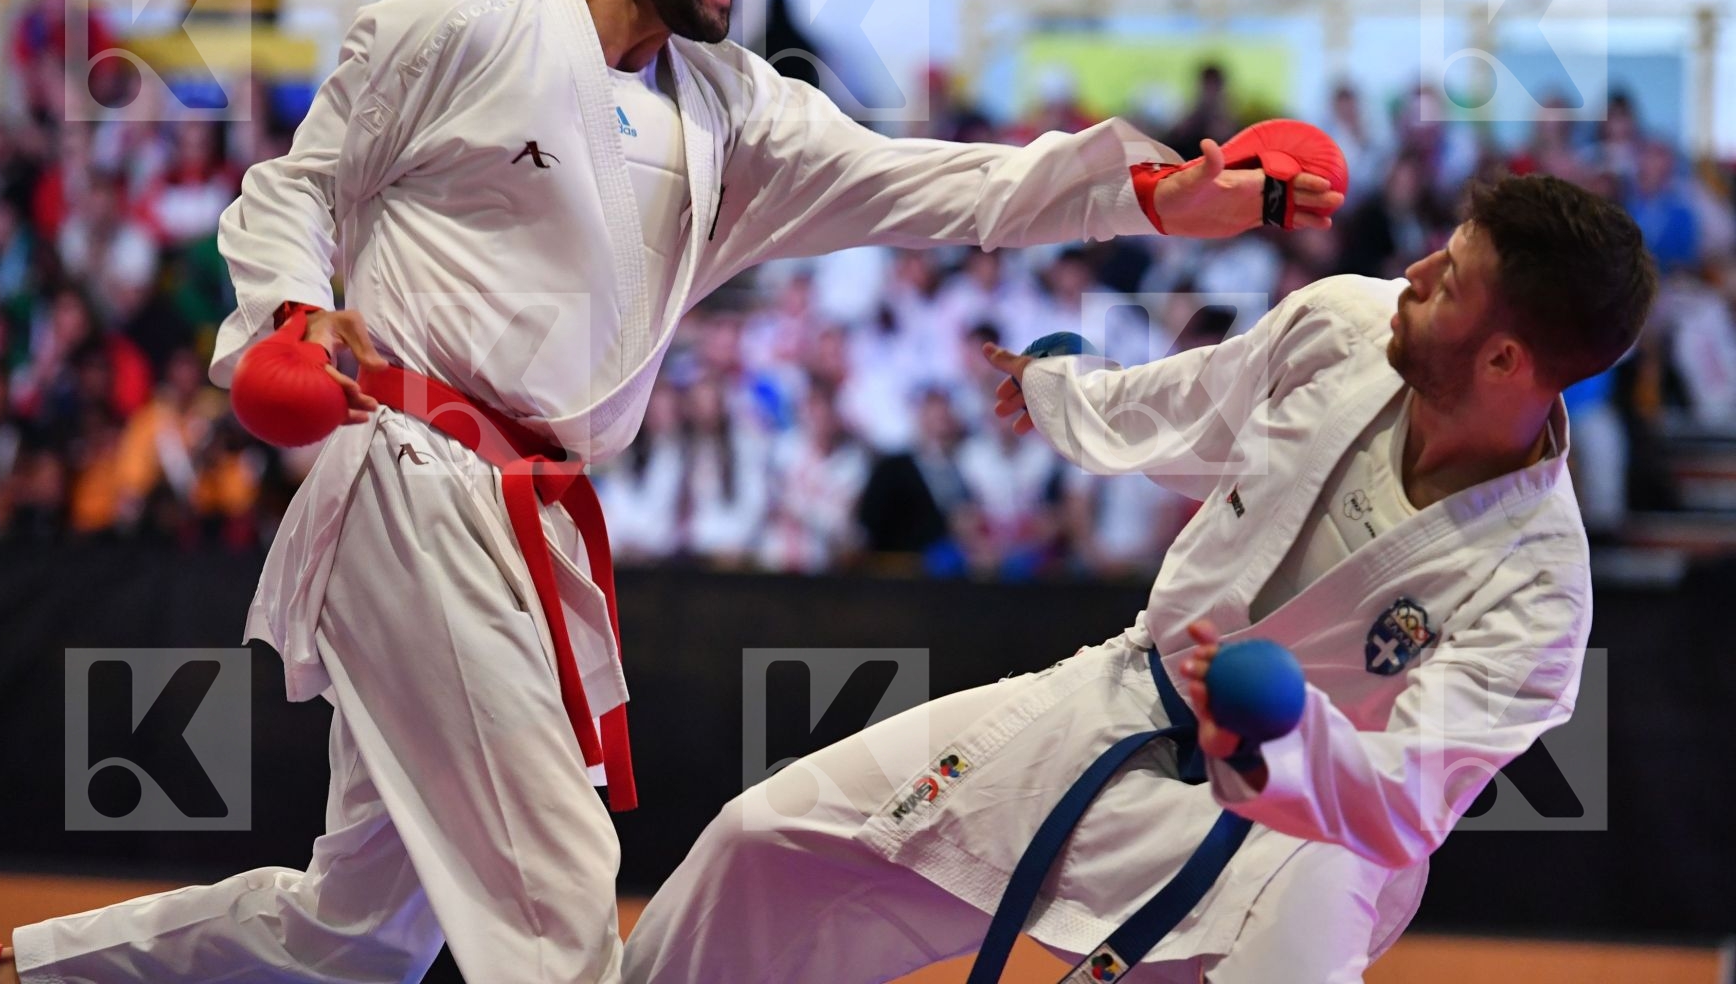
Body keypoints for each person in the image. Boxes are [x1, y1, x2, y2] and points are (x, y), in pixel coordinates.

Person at [0, 0, 1339, 982]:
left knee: (358, 933)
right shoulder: (454, 34)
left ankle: (17, 967)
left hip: (529, 515)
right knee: (556, 903)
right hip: (418, 480)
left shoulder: (735, 111)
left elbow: (950, 185)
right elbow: (289, 193)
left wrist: (1157, 195)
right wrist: (284, 326)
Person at [623, 174, 1656, 983]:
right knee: (766, 841)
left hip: (1302, 836)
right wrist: (1065, 393)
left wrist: (1284, 733)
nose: (1418, 271)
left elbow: (1405, 799)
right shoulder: (1347, 325)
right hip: (1123, 701)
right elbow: (1198, 406)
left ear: (1508, 362)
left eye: (1453, 279)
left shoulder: (1539, 587)